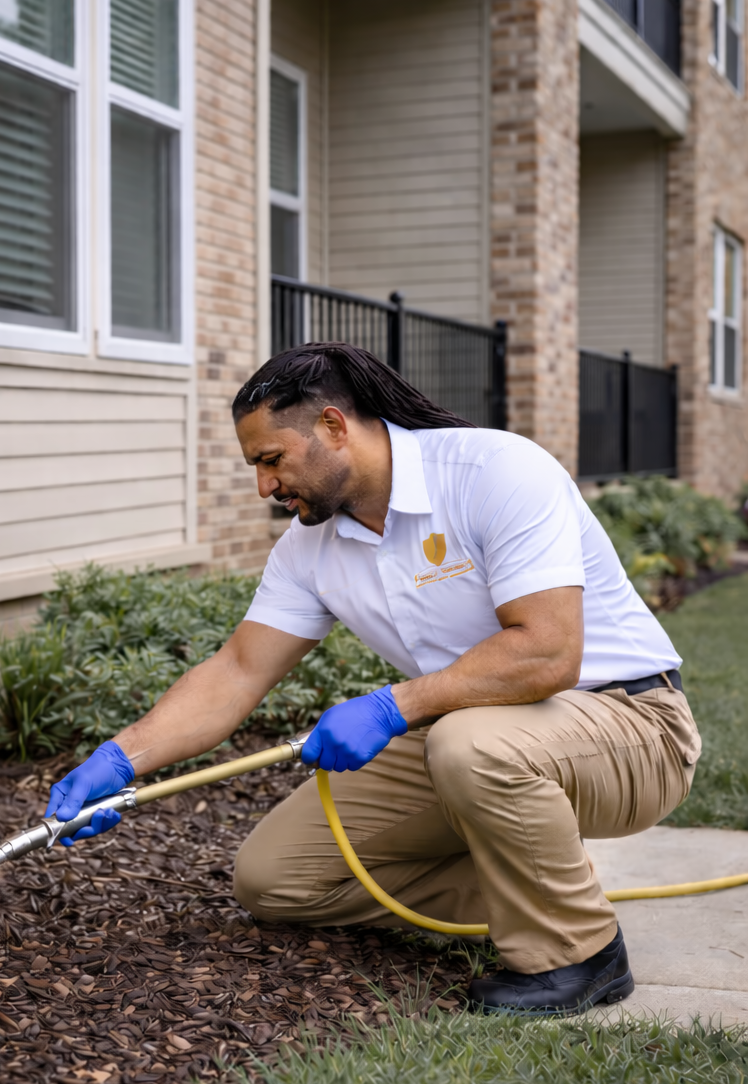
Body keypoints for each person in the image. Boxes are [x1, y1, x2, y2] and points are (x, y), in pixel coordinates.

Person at [45, 344, 701, 1015]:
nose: (264, 488)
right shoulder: (309, 549)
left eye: (271, 460)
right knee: (275, 880)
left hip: (630, 724)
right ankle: (542, 884)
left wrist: (392, 707)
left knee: (470, 745)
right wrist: (122, 759)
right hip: (478, 734)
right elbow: (237, 671)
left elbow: (548, 652)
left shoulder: (495, 471)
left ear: (334, 427)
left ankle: (581, 953)